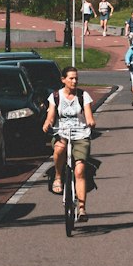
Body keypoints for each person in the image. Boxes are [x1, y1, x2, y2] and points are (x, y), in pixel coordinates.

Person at [43, 66, 96, 223]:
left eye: (76, 78)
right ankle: (58, 177)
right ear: (63, 80)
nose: (74, 81)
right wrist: (47, 123)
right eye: (71, 78)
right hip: (62, 132)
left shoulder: (83, 95)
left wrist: (91, 122)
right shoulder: (55, 97)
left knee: (79, 170)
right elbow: (51, 116)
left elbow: (88, 114)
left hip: (80, 134)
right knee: (59, 147)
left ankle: (82, 208)